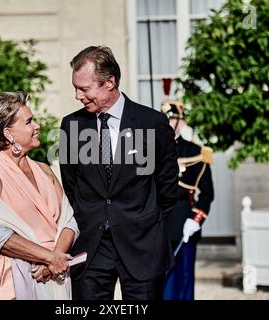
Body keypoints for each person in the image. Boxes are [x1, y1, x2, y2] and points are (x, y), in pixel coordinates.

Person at [59, 46, 179, 300]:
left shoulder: (153, 123)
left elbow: (167, 187)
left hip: (142, 247)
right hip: (91, 249)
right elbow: (71, 186)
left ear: (110, 82)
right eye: (75, 87)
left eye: (84, 88)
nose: (78, 96)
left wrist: (144, 220)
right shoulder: (71, 126)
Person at [0, 91, 79, 300]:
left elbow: (69, 221)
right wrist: (49, 259)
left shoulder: (45, 170)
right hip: (13, 283)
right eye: (29, 122)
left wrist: (55, 261)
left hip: (56, 278)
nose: (37, 126)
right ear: (8, 133)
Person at [160, 99, 214, 300]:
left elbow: (207, 194)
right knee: (161, 277)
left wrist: (195, 219)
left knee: (183, 275)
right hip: (158, 221)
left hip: (184, 219)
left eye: (171, 118)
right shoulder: (152, 151)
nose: (166, 123)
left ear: (180, 123)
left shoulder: (195, 152)